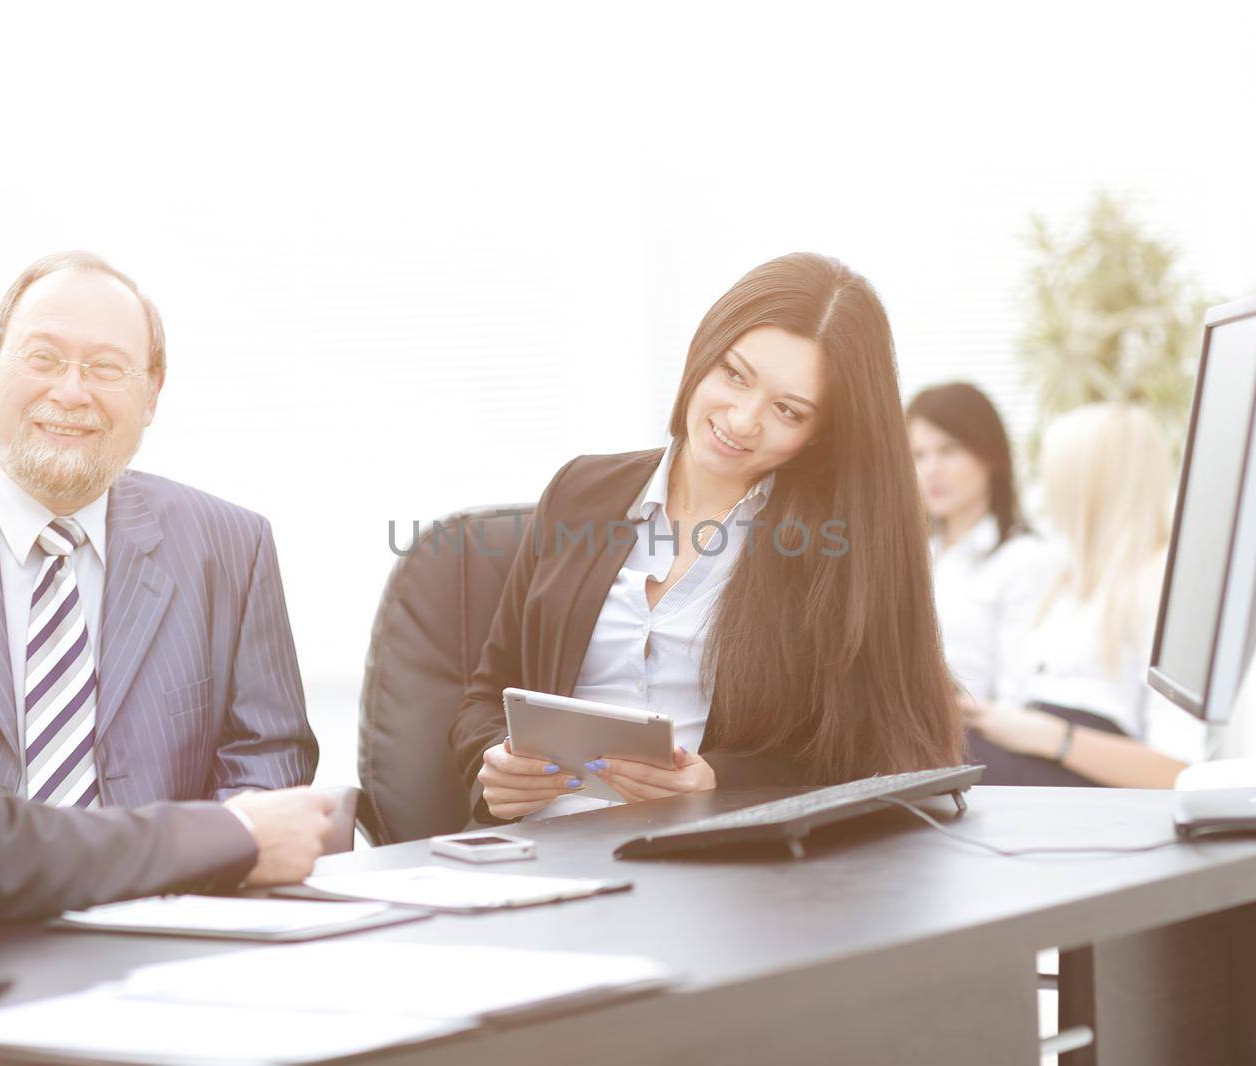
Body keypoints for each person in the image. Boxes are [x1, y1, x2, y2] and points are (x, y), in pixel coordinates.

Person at [0, 159, 335, 943]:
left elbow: (267, 761)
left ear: (153, 391)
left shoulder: (230, 544)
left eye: (105, 368)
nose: (70, 392)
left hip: (169, 938)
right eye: (31, 354)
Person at [450, 252, 962, 822]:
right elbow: (484, 699)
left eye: (788, 411)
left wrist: (720, 782)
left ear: (821, 435)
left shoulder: (837, 547)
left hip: (718, 872)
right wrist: (494, 766)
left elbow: (876, 752)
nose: (742, 420)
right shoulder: (580, 491)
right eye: (734, 375)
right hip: (538, 861)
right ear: (703, 352)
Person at [962, 403, 1208, 788]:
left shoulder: (1162, 583)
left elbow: (1177, 771)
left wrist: (1054, 738)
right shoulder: (1063, 581)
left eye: (1052, 479)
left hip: (1079, 776)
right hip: (1028, 755)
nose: (1041, 495)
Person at [907, 381, 1050, 704]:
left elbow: (1016, 698)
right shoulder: (920, 553)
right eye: (918, 455)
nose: (931, 470)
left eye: (948, 451)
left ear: (988, 456)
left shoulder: (1022, 559)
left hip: (973, 740)